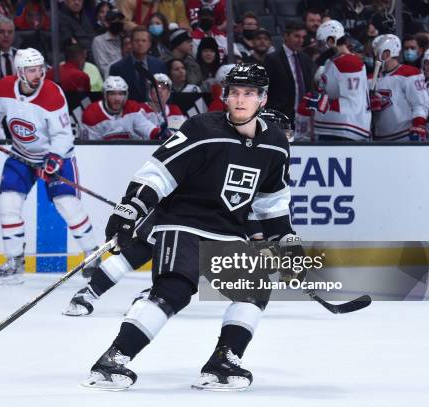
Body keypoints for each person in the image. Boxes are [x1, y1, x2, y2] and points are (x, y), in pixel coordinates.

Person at [81, 63, 301, 391]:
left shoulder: (274, 145)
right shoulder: (202, 128)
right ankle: (114, 358)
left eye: (249, 94)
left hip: (227, 231)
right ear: (225, 96)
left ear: (262, 100)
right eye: (235, 93)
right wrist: (131, 209)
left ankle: (224, 359)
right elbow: (158, 171)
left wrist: (285, 238)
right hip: (183, 223)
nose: (240, 100)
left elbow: (271, 202)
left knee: (254, 290)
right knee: (174, 291)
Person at [0, 48, 100, 285]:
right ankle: (14, 262)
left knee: (68, 204)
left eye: (41, 69)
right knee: (8, 202)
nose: (38, 74)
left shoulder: (52, 94)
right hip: (21, 155)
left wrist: (53, 159)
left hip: (56, 156)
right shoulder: (4, 87)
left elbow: (63, 135)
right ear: (19, 72)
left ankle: (93, 257)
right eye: (32, 70)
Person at [305, 20, 371, 141]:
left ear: (331, 41)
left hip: (344, 131)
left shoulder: (348, 62)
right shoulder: (333, 62)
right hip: (334, 129)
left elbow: (352, 104)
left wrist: (321, 102)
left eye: (321, 43)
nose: (320, 48)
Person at [369, 34, 429, 141]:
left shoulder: (409, 73)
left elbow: (420, 104)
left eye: (377, 53)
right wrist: (368, 104)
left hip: (405, 136)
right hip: (379, 140)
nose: (375, 56)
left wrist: (418, 125)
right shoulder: (371, 78)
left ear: (387, 53)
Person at [80, 75, 166, 140]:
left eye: (121, 94)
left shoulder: (132, 108)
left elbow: (146, 128)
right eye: (112, 94)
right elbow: (88, 147)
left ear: (126, 95)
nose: (117, 99)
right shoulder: (92, 113)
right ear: (105, 95)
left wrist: (159, 132)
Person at [264, 21, 316, 122]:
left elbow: (309, 87)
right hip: (281, 116)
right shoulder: (272, 59)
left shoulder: (306, 59)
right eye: (296, 36)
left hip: (304, 117)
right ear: (286, 36)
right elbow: (266, 90)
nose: (300, 40)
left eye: (303, 37)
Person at [108, 26, 166, 102]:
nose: (140, 44)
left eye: (144, 41)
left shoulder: (159, 65)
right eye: (137, 41)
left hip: (154, 110)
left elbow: (165, 91)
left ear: (149, 44)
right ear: (131, 43)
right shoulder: (117, 68)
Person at [92, 9, 124, 78]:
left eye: (120, 19)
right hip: (111, 81)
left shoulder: (125, 40)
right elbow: (103, 68)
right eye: (114, 20)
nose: (118, 22)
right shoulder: (99, 41)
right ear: (107, 23)